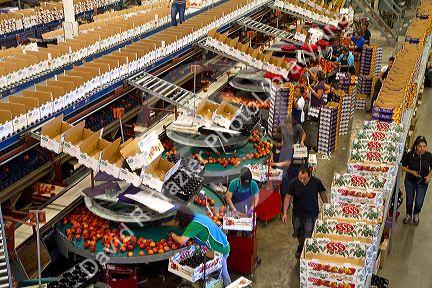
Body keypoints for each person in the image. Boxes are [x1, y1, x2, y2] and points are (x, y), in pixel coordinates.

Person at [171, 206, 232, 285]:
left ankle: (228, 285)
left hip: (220, 250)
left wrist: (173, 235)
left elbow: (182, 241)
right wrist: (163, 223)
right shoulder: (198, 216)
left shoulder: (194, 225)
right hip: (223, 244)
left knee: (224, 273)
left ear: (183, 219)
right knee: (215, 272)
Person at [281, 166, 328, 258]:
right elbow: (287, 197)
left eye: (304, 179)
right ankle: (301, 246)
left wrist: (327, 206)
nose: (302, 180)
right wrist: (285, 213)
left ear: (310, 176)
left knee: (309, 232)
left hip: (311, 214)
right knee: (299, 232)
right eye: (300, 178)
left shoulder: (316, 182)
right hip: (297, 214)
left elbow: (322, 193)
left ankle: (308, 249)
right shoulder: (293, 183)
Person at [401, 136, 432, 225]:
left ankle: (416, 213)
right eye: (420, 146)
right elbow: (402, 167)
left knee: (419, 202)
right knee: (409, 200)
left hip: (422, 183)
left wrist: (429, 176)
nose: (422, 149)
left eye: (424, 146)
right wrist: (411, 172)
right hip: (410, 181)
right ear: (415, 146)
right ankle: (408, 214)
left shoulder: (428, 156)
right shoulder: (410, 155)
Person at [271, 133, 293, 203]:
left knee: (284, 191)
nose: (275, 145)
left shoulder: (288, 148)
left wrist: (276, 164)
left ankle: (285, 206)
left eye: (276, 143)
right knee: (274, 190)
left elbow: (288, 162)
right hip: (275, 172)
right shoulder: (275, 145)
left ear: (280, 142)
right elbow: (272, 152)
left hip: (284, 173)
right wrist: (271, 158)